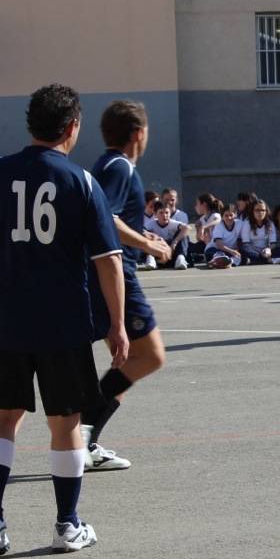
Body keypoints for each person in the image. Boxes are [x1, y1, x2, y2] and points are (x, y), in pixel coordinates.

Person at [0, 82, 128, 556]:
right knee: (65, 422)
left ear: (31, 124)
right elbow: (109, 260)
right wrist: (117, 324)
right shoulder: (81, 181)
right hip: (62, 323)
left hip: (5, 316)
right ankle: (66, 525)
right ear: (71, 127)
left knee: (2, 417)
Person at [82, 100, 171, 472]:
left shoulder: (107, 165)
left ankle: (87, 441)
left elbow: (107, 217)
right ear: (138, 133)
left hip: (101, 273)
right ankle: (83, 431)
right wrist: (149, 246)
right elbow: (106, 217)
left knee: (125, 362)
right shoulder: (120, 167)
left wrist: (141, 236)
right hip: (115, 274)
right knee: (150, 356)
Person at [242, 198, 280, 264]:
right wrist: (259, 252)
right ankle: (271, 260)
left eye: (263, 210)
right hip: (252, 251)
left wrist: (268, 250)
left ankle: (258, 261)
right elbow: (246, 244)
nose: (260, 213)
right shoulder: (247, 223)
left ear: (266, 211)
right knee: (243, 251)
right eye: (257, 210)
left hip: (266, 251)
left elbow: (273, 243)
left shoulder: (270, 223)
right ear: (252, 211)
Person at [149, 202, 191, 268]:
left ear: (170, 213)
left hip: (172, 252)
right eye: (161, 213)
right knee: (146, 235)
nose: (164, 215)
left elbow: (187, 228)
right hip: (158, 252)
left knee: (183, 234)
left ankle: (180, 258)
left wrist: (175, 242)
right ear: (155, 214)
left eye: (167, 213)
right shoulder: (151, 224)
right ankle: (150, 259)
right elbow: (141, 231)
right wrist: (154, 237)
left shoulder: (173, 223)